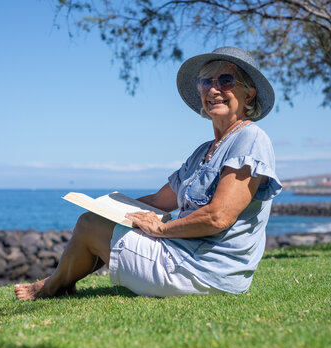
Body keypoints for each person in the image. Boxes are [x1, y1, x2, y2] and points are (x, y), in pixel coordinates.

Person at [15, 47, 282, 300]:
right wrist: (107, 208)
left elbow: (219, 217)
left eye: (225, 80)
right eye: (205, 82)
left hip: (203, 271)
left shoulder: (250, 138)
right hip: (187, 258)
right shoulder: (204, 150)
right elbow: (158, 201)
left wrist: (162, 228)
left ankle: (50, 287)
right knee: (95, 218)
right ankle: (61, 283)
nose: (213, 89)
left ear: (249, 94)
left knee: (88, 225)